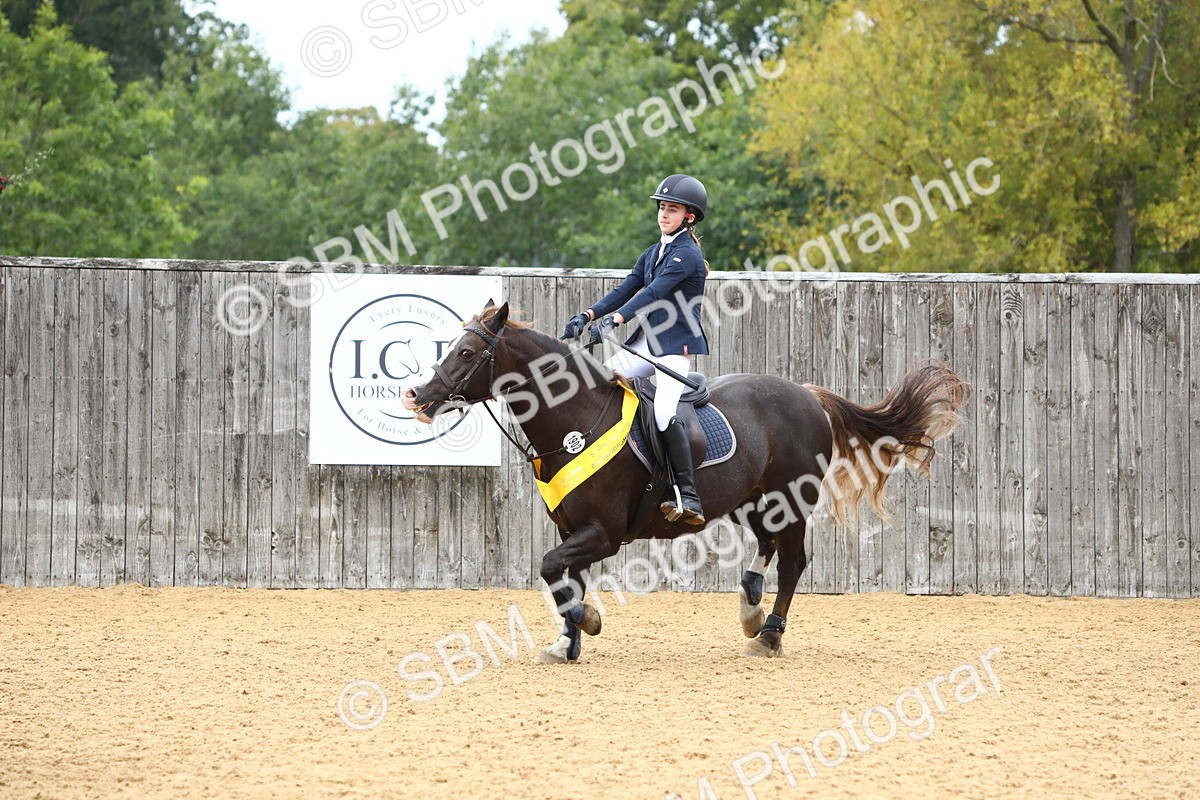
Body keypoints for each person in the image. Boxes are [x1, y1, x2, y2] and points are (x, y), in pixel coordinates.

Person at [560, 173, 710, 525]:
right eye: (661, 207)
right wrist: (589, 314)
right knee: (603, 387)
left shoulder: (685, 255)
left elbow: (653, 293)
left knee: (662, 413)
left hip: (673, 345)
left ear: (689, 216)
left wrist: (615, 321)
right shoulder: (654, 252)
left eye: (672, 209)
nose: (663, 214)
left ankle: (688, 494)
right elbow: (627, 287)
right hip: (645, 343)